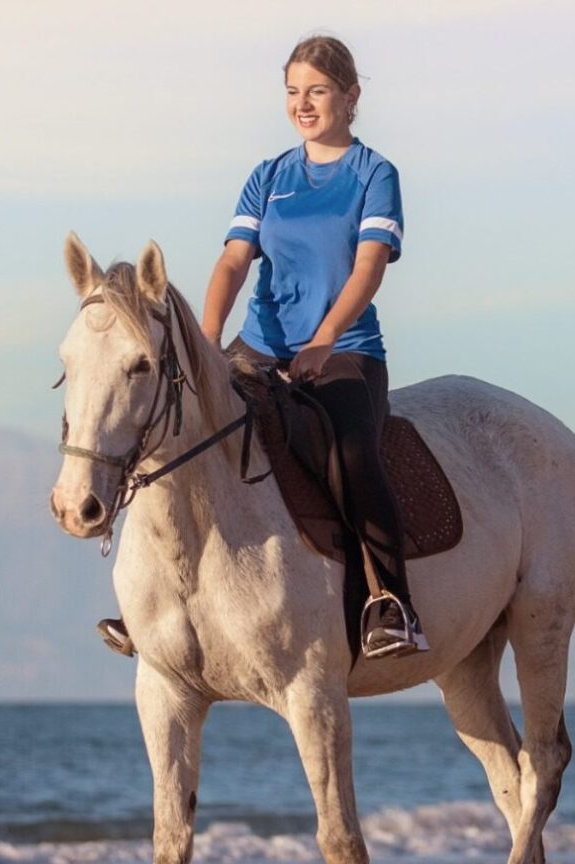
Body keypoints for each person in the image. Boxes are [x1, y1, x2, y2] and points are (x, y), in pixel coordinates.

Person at [99, 34, 427, 660]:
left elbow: (368, 268)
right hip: (260, 345)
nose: (304, 104)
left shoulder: (374, 175)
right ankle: (147, 603)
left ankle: (392, 603)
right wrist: (207, 341)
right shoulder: (269, 176)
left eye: (318, 92)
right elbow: (232, 261)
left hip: (345, 350)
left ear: (351, 97)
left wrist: (324, 341)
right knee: (174, 432)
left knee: (353, 456)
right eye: (294, 93)